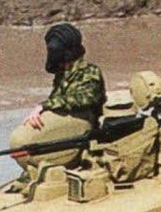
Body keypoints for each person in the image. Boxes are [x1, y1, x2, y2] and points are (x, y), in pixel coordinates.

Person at [10, 22, 106, 171]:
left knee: (24, 142)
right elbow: (58, 100)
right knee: (21, 143)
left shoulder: (90, 72)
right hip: (68, 126)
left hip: (86, 127)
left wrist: (44, 106)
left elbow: (85, 98)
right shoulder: (62, 74)